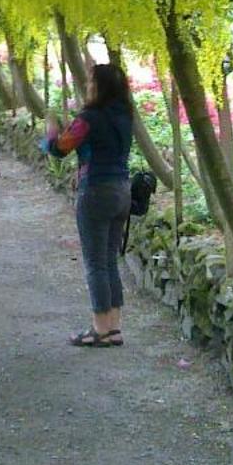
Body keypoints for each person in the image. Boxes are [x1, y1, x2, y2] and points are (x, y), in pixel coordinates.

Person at [41, 61, 138, 349]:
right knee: (109, 260)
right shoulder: (125, 115)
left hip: (96, 190)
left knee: (95, 262)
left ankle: (99, 329)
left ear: (99, 86)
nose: (87, 86)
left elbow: (60, 149)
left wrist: (50, 133)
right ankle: (114, 327)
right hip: (123, 190)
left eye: (91, 81)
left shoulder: (89, 118)